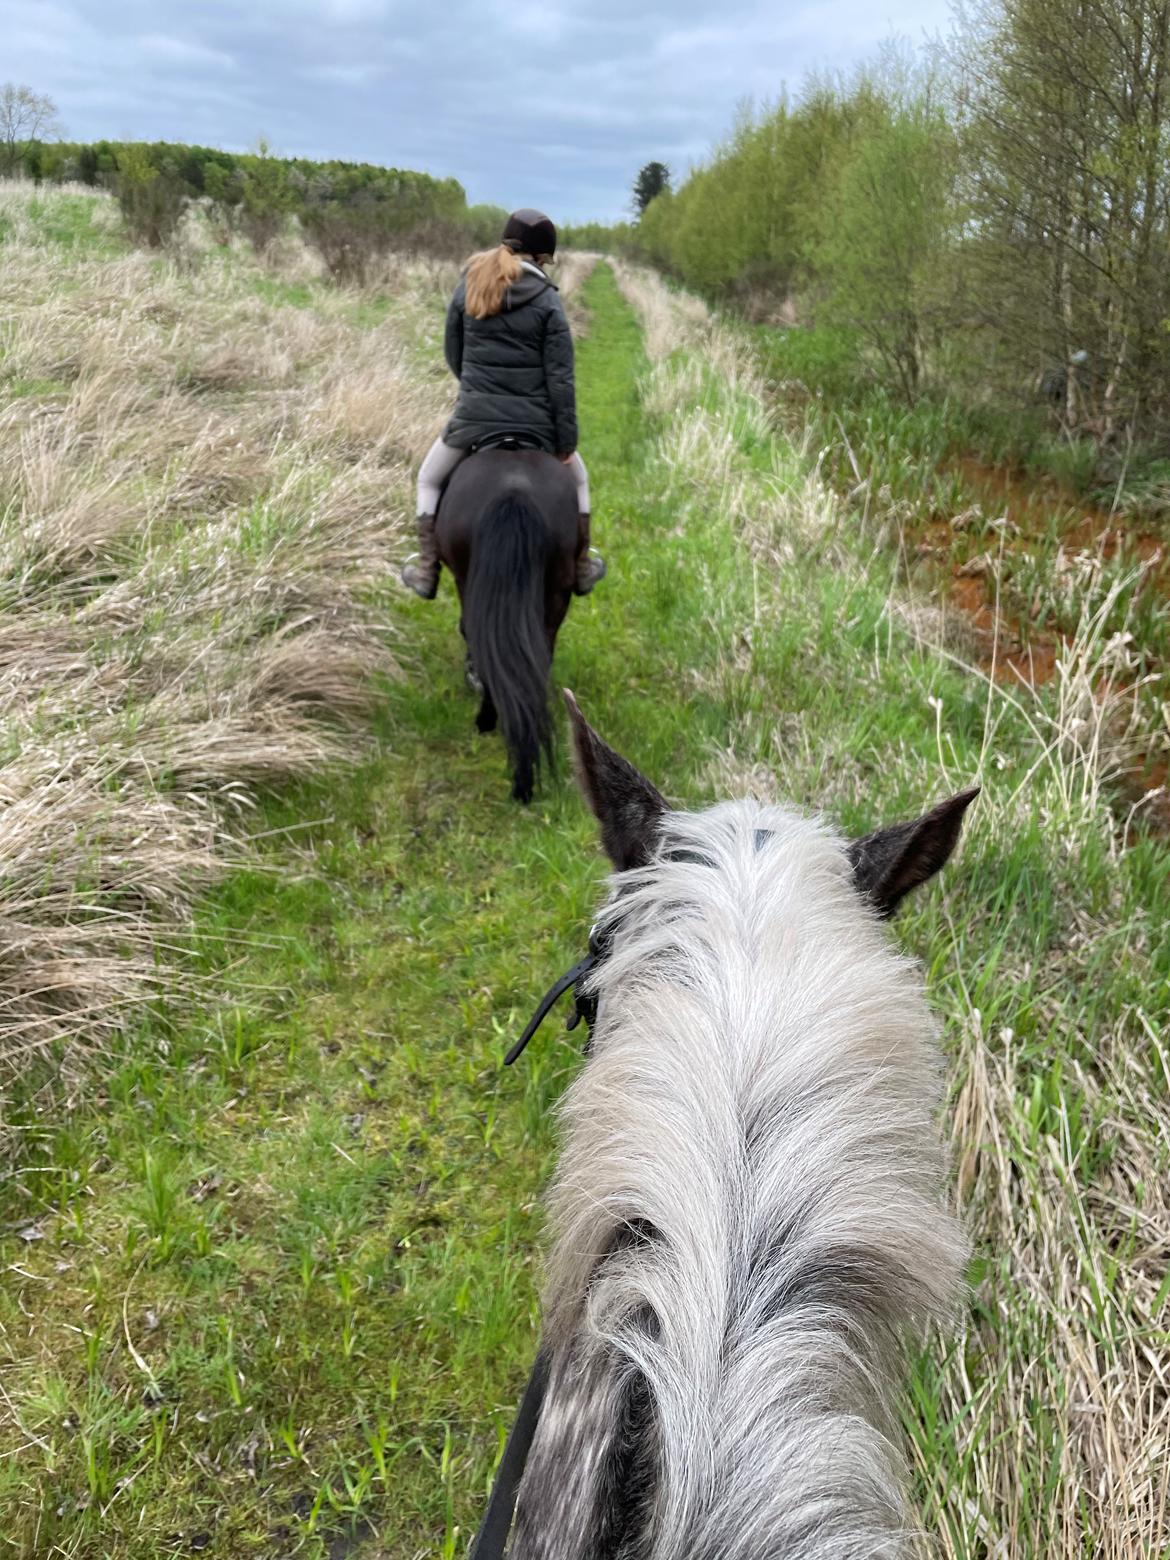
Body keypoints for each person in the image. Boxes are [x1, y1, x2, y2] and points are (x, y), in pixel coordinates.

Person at [401, 208, 606, 599]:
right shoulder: (548, 302)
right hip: (537, 425)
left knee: (428, 479)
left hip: (474, 420)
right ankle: (581, 567)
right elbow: (560, 382)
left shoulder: (469, 286)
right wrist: (565, 444)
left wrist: (480, 390)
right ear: (543, 257)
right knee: (579, 480)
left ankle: (427, 569)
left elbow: (453, 353)